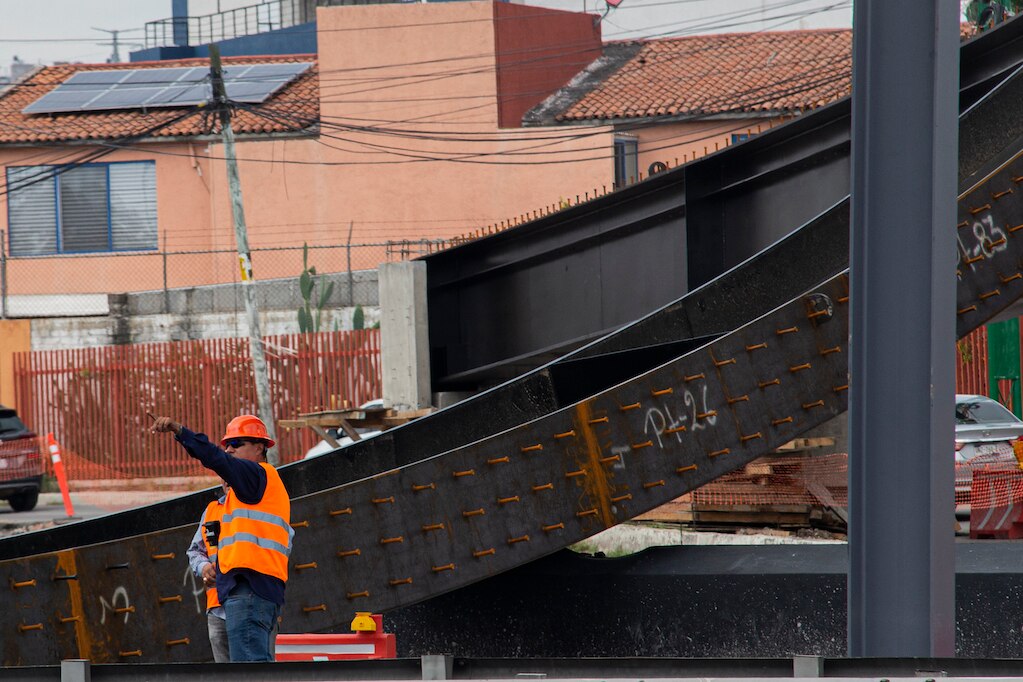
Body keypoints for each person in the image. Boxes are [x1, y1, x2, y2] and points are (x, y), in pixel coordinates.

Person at [151, 413, 293, 662]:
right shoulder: (253, 493)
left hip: (248, 589)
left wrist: (180, 431)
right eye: (227, 444)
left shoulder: (257, 476)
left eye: (236, 444)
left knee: (248, 674)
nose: (228, 450)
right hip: (257, 591)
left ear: (260, 448)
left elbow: (214, 458)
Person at [186, 482, 230, 662]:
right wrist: (204, 567)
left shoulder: (254, 509)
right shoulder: (212, 510)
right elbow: (195, 550)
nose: (226, 480)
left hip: (250, 605)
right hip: (217, 608)